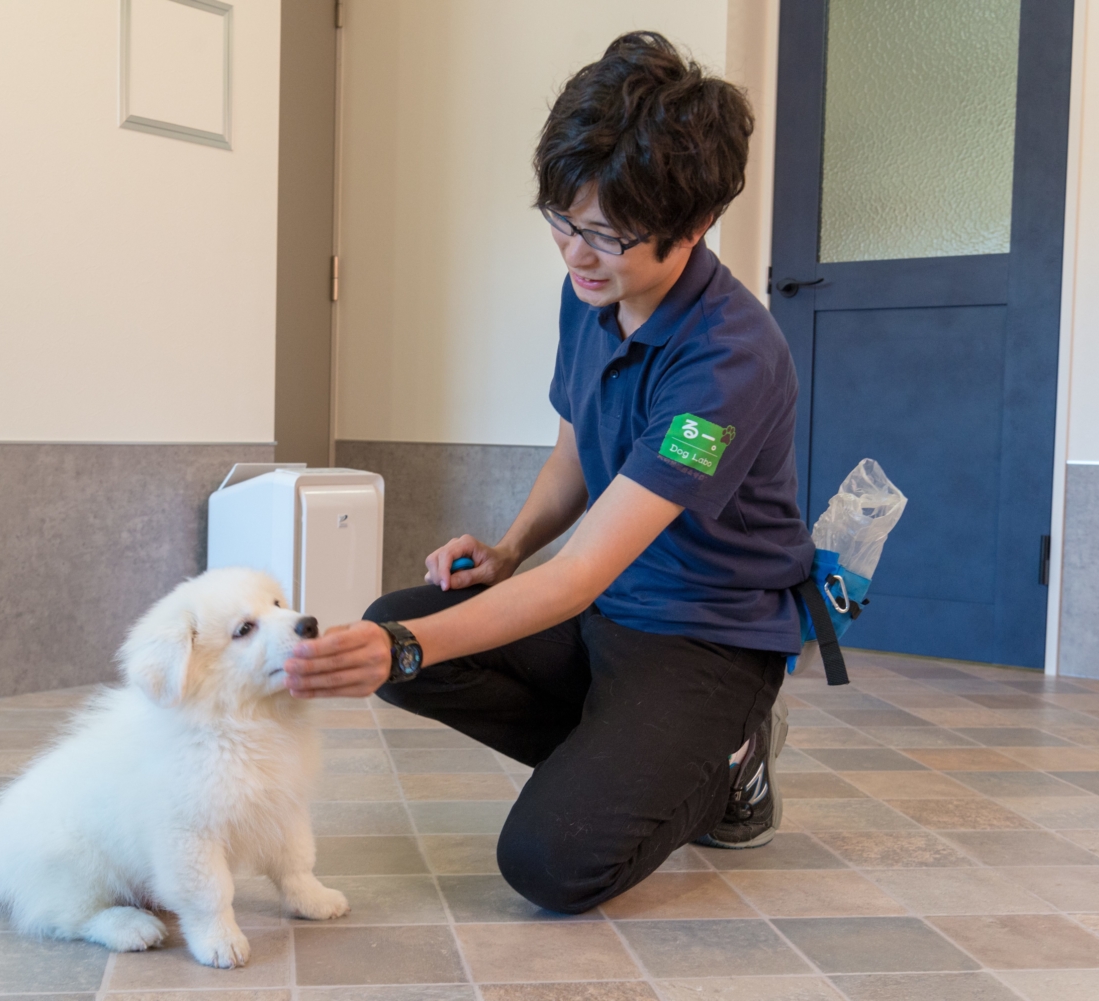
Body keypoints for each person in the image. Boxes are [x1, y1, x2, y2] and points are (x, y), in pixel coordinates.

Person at [283, 31, 814, 914]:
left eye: (605, 234)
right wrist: (507, 549)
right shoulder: (592, 291)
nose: (575, 254)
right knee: (404, 626)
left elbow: (580, 573)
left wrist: (406, 647)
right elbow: (577, 440)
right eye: (563, 220)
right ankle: (634, 751)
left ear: (696, 224)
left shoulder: (730, 360)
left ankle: (729, 757)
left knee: (550, 861)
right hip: (608, 611)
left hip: (705, 638)